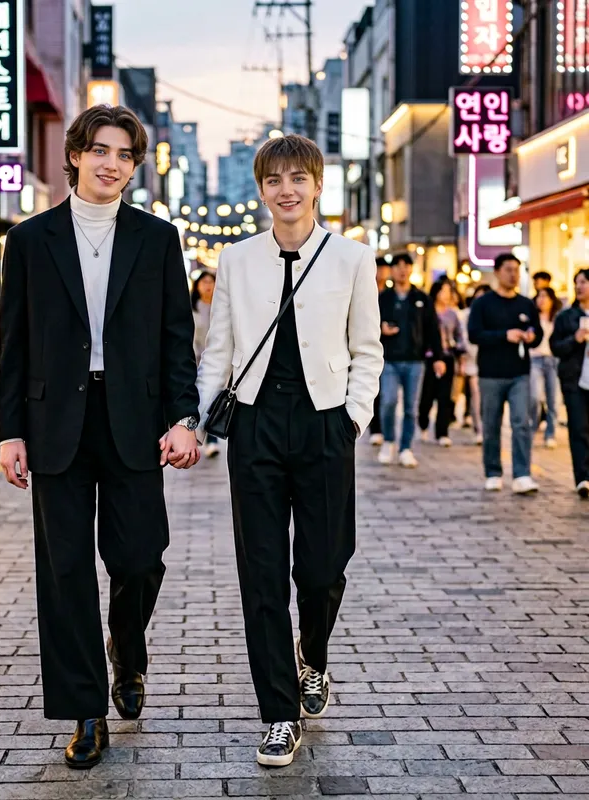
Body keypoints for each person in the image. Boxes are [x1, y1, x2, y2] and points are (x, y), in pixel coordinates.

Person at [0, 104, 200, 770]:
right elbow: (15, 344)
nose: (113, 164)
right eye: (101, 150)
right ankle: (85, 710)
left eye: (126, 155)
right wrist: (9, 432)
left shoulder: (156, 238)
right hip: (55, 420)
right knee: (65, 572)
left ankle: (127, 649)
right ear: (76, 154)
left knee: (140, 556)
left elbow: (177, 338)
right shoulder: (30, 240)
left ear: (135, 166)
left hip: (134, 419)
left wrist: (182, 416)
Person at [196, 134, 382, 768]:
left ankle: (315, 657)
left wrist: (353, 418)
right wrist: (199, 422)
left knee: (325, 566)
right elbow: (217, 349)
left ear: (318, 185)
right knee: (262, 574)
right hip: (255, 426)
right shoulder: (238, 260)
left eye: (298, 177)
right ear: (260, 189)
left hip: (326, 422)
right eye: (274, 179)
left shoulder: (352, 257)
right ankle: (278, 713)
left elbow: (368, 348)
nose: (287, 189)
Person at [468, 253, 543, 495]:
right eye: (509, 269)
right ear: (498, 272)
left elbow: (538, 332)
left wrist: (531, 336)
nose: (513, 275)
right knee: (491, 424)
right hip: (490, 373)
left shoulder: (526, 303)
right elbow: (474, 334)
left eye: (517, 270)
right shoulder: (483, 303)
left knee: (521, 423)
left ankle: (522, 474)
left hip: (519, 372)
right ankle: (493, 472)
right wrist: (504, 335)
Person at [377, 254, 445, 468]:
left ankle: (406, 447)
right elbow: (366, 323)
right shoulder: (382, 298)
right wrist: (380, 329)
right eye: (398, 266)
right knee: (388, 401)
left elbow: (433, 329)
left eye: (406, 266)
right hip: (389, 359)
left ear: (411, 269)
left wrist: (437, 357)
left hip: (415, 360)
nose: (402, 270)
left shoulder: (421, 298)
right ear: (392, 270)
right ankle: (388, 441)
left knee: (410, 408)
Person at [550, 268, 589, 498]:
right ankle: (582, 477)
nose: (580, 286)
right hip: (574, 379)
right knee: (578, 427)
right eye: (577, 282)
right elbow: (556, 346)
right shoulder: (567, 317)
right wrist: (575, 339)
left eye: (584, 282)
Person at [418, 280, 466, 447]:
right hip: (429, 358)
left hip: (447, 356)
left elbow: (460, 336)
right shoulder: (427, 311)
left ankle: (442, 432)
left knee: (445, 397)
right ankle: (423, 424)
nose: (447, 295)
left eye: (448, 291)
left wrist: (459, 354)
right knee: (427, 395)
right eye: (444, 291)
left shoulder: (452, 314)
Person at [191, 270, 220, 458]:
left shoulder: (221, 306)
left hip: (217, 362)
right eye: (204, 282)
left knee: (216, 402)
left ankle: (212, 439)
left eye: (211, 282)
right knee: (200, 400)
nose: (208, 285)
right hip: (196, 361)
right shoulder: (192, 308)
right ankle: (195, 435)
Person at [529, 287, 562, 449]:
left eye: (545, 297)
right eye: (539, 296)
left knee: (553, 400)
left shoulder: (557, 319)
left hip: (553, 360)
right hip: (535, 359)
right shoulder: (531, 318)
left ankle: (551, 433)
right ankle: (533, 426)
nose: (542, 300)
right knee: (535, 396)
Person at [461, 284, 492, 446]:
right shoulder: (467, 315)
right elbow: (465, 338)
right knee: (476, 396)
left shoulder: (494, 314)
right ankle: (479, 429)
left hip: (491, 361)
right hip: (473, 360)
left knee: (489, 398)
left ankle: (488, 429)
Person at [369, 256, 392, 446]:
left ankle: (381, 429)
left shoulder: (390, 295)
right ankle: (374, 428)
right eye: (380, 268)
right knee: (372, 389)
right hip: (366, 347)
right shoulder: (365, 287)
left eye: (385, 269)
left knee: (385, 392)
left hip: (388, 349)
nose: (382, 273)